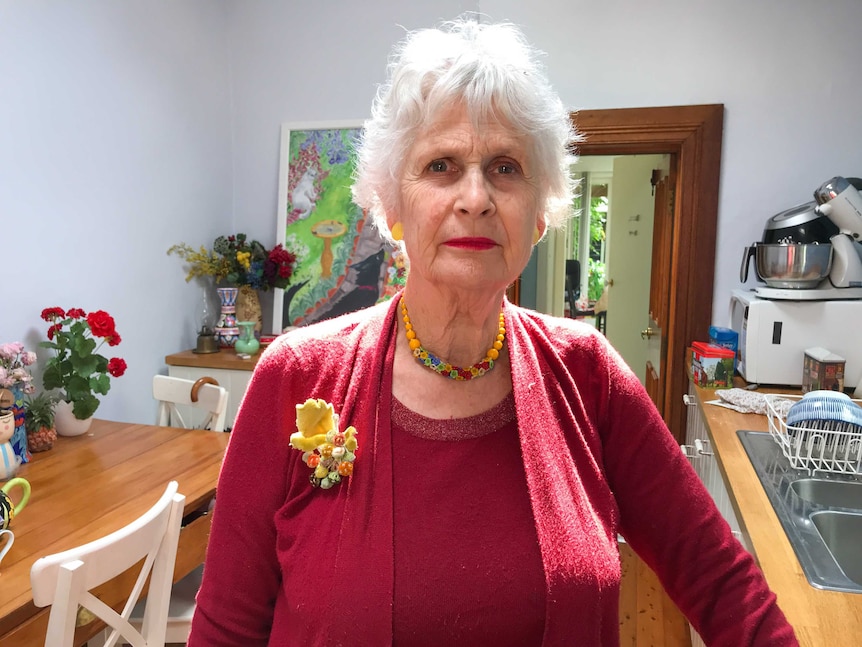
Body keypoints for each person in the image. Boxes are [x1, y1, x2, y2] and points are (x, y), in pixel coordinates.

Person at [187, 16, 798, 646]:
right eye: (442, 165)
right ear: (392, 209)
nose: (475, 197)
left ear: (539, 215)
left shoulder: (587, 372)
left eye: (506, 168)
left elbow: (720, 582)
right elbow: (226, 628)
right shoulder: (296, 376)